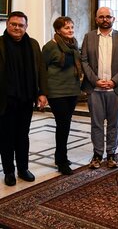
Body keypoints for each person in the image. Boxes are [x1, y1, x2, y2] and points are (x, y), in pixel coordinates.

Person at [0, 11, 48, 186]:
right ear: (7, 25)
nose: (17, 28)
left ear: (26, 27)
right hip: (5, 100)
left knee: (22, 136)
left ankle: (23, 168)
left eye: (21, 25)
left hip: (26, 98)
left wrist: (42, 92)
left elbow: (41, 69)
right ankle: (9, 171)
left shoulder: (33, 44)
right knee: (6, 138)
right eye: (13, 24)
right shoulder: (0, 43)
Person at [81, 7, 118, 169]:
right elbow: (84, 61)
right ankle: (97, 154)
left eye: (108, 16)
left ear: (113, 19)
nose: (105, 19)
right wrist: (95, 80)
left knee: (113, 123)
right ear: (96, 19)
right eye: (101, 17)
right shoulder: (88, 37)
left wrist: (114, 81)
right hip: (95, 89)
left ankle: (111, 154)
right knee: (96, 123)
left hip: (115, 89)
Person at [42, 16, 82, 175]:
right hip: (56, 92)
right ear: (58, 30)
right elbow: (42, 70)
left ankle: (60, 156)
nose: (70, 30)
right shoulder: (50, 47)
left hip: (72, 90)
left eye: (72, 27)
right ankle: (62, 160)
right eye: (67, 28)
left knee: (66, 124)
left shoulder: (74, 44)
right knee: (63, 124)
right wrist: (42, 93)